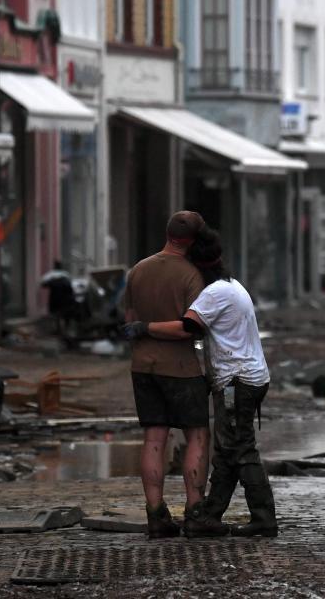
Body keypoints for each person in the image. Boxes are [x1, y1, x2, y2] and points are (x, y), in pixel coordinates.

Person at [124, 227, 278, 538]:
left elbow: (186, 327)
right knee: (227, 448)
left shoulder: (215, 293)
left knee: (241, 448)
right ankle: (207, 515)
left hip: (238, 382)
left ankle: (264, 518)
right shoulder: (230, 286)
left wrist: (145, 327)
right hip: (242, 378)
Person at [122, 211, 213, 539]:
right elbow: (191, 328)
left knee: (155, 438)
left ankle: (156, 514)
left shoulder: (138, 269)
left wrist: (146, 331)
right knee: (197, 435)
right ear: (194, 240)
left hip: (143, 366)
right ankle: (194, 511)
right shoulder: (192, 275)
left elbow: (130, 318)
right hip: (181, 368)